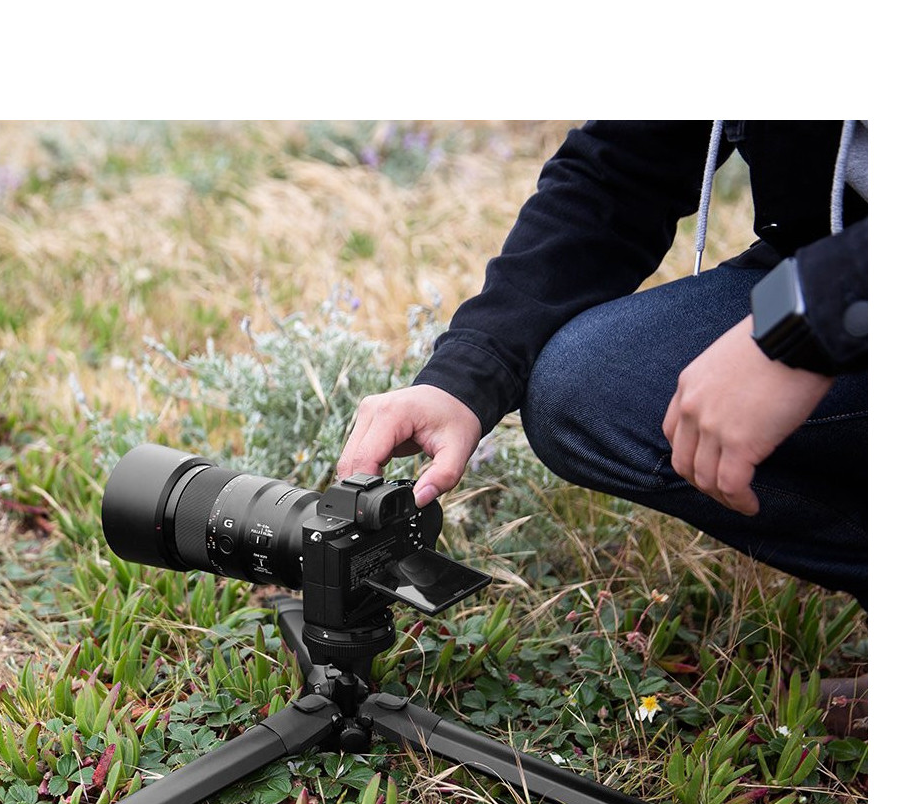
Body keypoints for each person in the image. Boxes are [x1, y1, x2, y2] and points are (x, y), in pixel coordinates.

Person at [336, 121, 868, 612]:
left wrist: (804, 324)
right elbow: (622, 168)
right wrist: (463, 377)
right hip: (825, 253)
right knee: (584, 388)